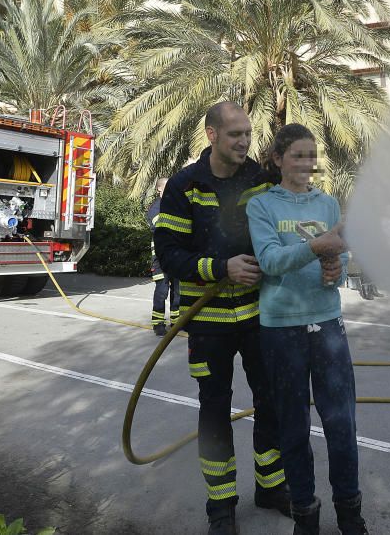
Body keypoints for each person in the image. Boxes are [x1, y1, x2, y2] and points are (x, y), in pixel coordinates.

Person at [153, 102, 290, 534]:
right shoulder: (184, 186)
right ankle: (221, 507)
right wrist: (220, 268)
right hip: (207, 321)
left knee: (271, 400)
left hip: (257, 318)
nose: (245, 142)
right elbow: (169, 255)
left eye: (248, 134)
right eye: (235, 135)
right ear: (211, 135)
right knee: (214, 409)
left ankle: (270, 486)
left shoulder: (260, 180)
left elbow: (282, 229)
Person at [246, 124, 368, 535]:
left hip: (327, 322)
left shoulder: (329, 204)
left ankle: (350, 515)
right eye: (297, 155)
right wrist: (317, 248)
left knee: (341, 424)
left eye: (311, 155)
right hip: (281, 328)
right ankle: (305, 515)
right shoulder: (262, 207)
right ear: (278, 159)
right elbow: (270, 262)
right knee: (293, 428)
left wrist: (337, 269)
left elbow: (341, 260)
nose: (305, 163)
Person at [146, 177, 177, 336]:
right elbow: (161, 226)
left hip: (176, 256)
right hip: (160, 258)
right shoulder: (155, 207)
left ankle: (176, 322)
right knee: (162, 290)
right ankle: (158, 323)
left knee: (177, 290)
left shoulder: (174, 205)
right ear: (159, 189)